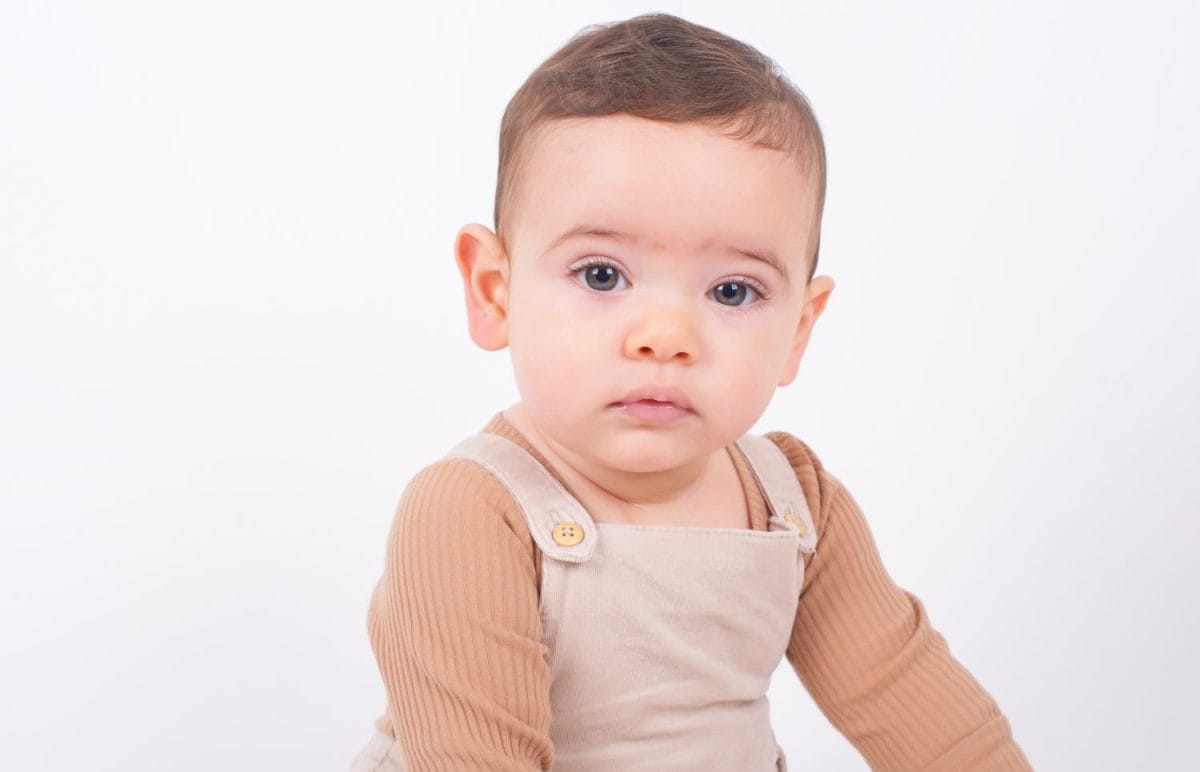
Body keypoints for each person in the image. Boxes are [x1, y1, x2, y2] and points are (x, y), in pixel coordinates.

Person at [352, 12, 1032, 772]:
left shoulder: (796, 507)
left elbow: (918, 708)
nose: (666, 336)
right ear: (493, 292)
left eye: (733, 291)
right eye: (601, 274)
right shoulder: (474, 512)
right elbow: (475, 758)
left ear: (798, 330)